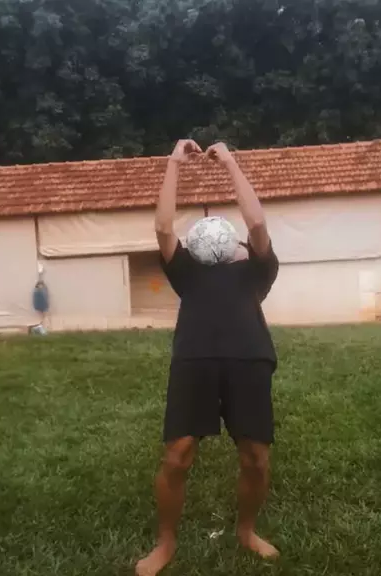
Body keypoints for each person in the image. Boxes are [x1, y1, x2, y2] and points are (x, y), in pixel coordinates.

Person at [135, 139, 280, 576]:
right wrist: (174, 163)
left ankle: (246, 531)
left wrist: (230, 162)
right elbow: (163, 227)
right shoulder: (188, 273)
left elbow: (257, 221)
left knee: (255, 457)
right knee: (177, 455)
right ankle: (166, 542)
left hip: (248, 359)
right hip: (194, 360)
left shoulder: (258, 269)